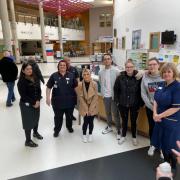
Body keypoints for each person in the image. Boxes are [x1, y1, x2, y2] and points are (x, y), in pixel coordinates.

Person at [153, 63, 180, 174]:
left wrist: (159, 116)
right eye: (164, 72)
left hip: (171, 122)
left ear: (174, 73)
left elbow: (176, 107)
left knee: (171, 145)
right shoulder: (161, 84)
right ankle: (166, 164)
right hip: (159, 121)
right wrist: (154, 113)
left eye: (169, 71)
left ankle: (172, 168)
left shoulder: (178, 87)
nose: (166, 74)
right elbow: (155, 100)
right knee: (163, 143)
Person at [114, 59, 143, 146]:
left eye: (131, 67)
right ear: (125, 67)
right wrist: (117, 102)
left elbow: (141, 91)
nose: (129, 68)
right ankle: (123, 136)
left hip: (134, 104)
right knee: (124, 121)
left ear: (133, 67)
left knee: (133, 121)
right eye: (127, 67)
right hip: (122, 104)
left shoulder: (138, 77)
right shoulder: (120, 77)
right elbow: (116, 90)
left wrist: (140, 104)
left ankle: (134, 137)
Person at [46, 60, 78, 137]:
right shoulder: (54, 76)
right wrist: (47, 98)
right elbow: (48, 87)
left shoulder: (71, 75)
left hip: (70, 101)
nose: (62, 66)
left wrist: (79, 97)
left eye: (64, 65)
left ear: (66, 67)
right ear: (58, 67)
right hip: (57, 102)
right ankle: (57, 130)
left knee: (69, 116)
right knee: (58, 117)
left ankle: (69, 127)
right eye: (61, 65)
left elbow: (76, 87)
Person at [141, 57, 164, 156]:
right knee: (152, 127)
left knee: (163, 128)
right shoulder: (145, 77)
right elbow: (143, 93)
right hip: (150, 108)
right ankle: (153, 145)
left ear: (158, 65)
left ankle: (162, 147)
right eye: (150, 65)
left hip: (163, 109)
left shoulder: (164, 76)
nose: (152, 66)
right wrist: (151, 107)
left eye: (154, 64)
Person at [17, 62, 43, 148]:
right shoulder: (21, 81)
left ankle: (35, 133)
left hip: (36, 102)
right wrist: (33, 103)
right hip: (26, 105)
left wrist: (38, 100)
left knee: (36, 118)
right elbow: (23, 95)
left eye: (30, 69)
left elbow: (39, 90)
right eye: (27, 69)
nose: (29, 70)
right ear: (23, 70)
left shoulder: (35, 78)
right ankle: (27, 140)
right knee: (28, 122)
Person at [98, 53, 121, 139]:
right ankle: (109, 126)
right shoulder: (101, 72)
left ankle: (119, 130)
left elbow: (119, 84)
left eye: (108, 59)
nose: (107, 60)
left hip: (114, 97)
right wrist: (103, 93)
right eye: (105, 59)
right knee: (108, 113)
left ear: (111, 60)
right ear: (103, 61)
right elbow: (100, 82)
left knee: (115, 114)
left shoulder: (116, 71)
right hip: (106, 96)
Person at [76, 68, 98, 143]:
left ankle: (90, 134)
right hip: (84, 106)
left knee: (91, 121)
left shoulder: (94, 84)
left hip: (93, 106)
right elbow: (80, 98)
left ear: (90, 74)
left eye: (87, 74)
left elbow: (95, 97)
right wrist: (86, 109)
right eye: (84, 74)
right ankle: (84, 134)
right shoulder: (80, 84)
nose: (86, 76)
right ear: (82, 75)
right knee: (85, 121)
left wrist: (90, 109)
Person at [64, 56, 79, 121]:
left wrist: (77, 86)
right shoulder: (62, 69)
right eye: (66, 61)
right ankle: (67, 115)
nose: (67, 62)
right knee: (66, 104)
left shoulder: (74, 69)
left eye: (68, 60)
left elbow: (77, 77)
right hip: (65, 91)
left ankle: (71, 114)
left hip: (73, 90)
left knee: (72, 104)